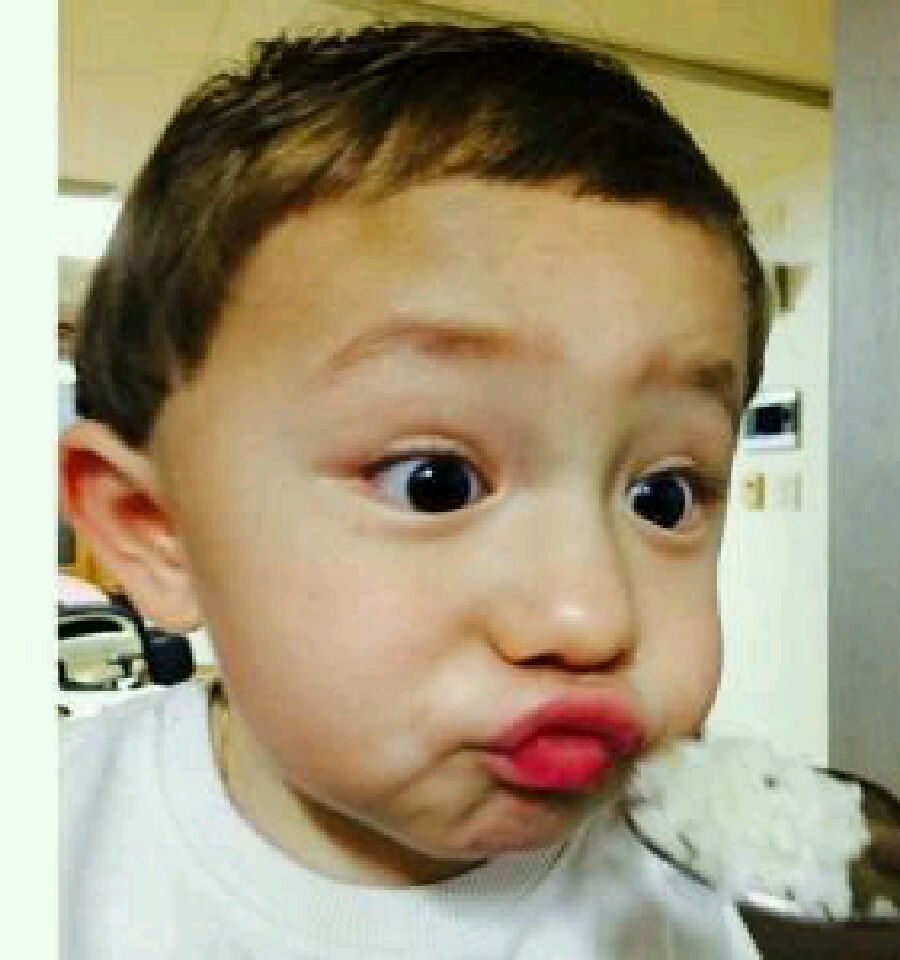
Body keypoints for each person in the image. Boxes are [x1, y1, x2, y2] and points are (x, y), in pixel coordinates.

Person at [59, 22, 770, 959]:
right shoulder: (56, 845)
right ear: (158, 531)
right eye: (436, 484)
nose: (589, 617)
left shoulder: (670, 898)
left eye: (664, 498)